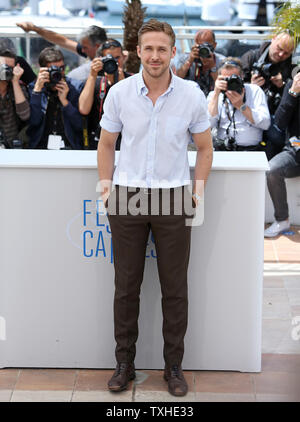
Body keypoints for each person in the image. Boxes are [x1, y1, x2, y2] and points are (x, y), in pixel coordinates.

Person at [97, 19, 213, 397]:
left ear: (173, 51)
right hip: (127, 196)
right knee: (126, 288)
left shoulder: (192, 95)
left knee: (175, 289)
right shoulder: (120, 93)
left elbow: (205, 147)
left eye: (162, 48)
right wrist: (105, 190)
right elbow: (106, 143)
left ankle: (173, 368)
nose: (155, 55)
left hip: (175, 196)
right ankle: (124, 364)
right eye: (148, 48)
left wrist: (197, 192)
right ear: (137, 52)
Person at [241, 31, 296, 159]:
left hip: (275, 115)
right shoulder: (251, 57)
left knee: (277, 138)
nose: (281, 54)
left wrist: (283, 86)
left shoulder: (292, 66)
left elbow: (294, 97)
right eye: (279, 48)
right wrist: (251, 87)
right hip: (250, 112)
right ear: (273, 39)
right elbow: (234, 89)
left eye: (287, 53)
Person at [264, 71, 300, 237]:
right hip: (295, 151)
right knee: (272, 169)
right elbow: (279, 123)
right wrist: (293, 93)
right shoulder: (291, 87)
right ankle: (282, 219)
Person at [207, 58, 270, 151]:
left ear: (242, 76)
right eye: (226, 79)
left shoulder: (254, 91)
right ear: (219, 78)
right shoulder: (214, 95)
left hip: (251, 149)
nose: (230, 83)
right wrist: (216, 94)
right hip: (223, 148)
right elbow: (207, 125)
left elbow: (265, 124)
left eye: (234, 78)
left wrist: (241, 106)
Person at [79, 39, 132, 150]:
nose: (115, 62)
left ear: (124, 57)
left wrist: (122, 84)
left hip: (126, 143)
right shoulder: (94, 81)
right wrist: (92, 75)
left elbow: (133, 113)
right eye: (109, 59)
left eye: (117, 58)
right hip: (98, 142)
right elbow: (83, 109)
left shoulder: (132, 81)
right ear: (101, 60)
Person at [27, 47, 83, 149]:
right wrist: (37, 91)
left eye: (61, 68)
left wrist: (65, 102)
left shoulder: (75, 87)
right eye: (53, 70)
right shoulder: (34, 87)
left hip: (68, 146)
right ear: (43, 70)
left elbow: (79, 125)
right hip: (41, 147)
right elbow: (33, 122)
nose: (59, 73)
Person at [16, 22, 107, 81]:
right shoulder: (90, 50)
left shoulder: (110, 62)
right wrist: (35, 29)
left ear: (97, 46)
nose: (82, 50)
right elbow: (62, 41)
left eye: (85, 47)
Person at [176, 29, 225, 96]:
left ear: (215, 45)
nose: (204, 49)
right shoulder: (185, 58)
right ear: (195, 45)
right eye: (200, 46)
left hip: (214, 99)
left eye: (207, 46)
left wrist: (213, 67)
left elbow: (223, 87)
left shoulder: (221, 61)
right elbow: (177, 79)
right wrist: (189, 61)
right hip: (189, 97)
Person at [0, 48, 30, 148]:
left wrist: (15, 81)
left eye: (10, 68)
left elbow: (25, 115)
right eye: (3, 67)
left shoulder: (17, 88)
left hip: (12, 146)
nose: (6, 71)